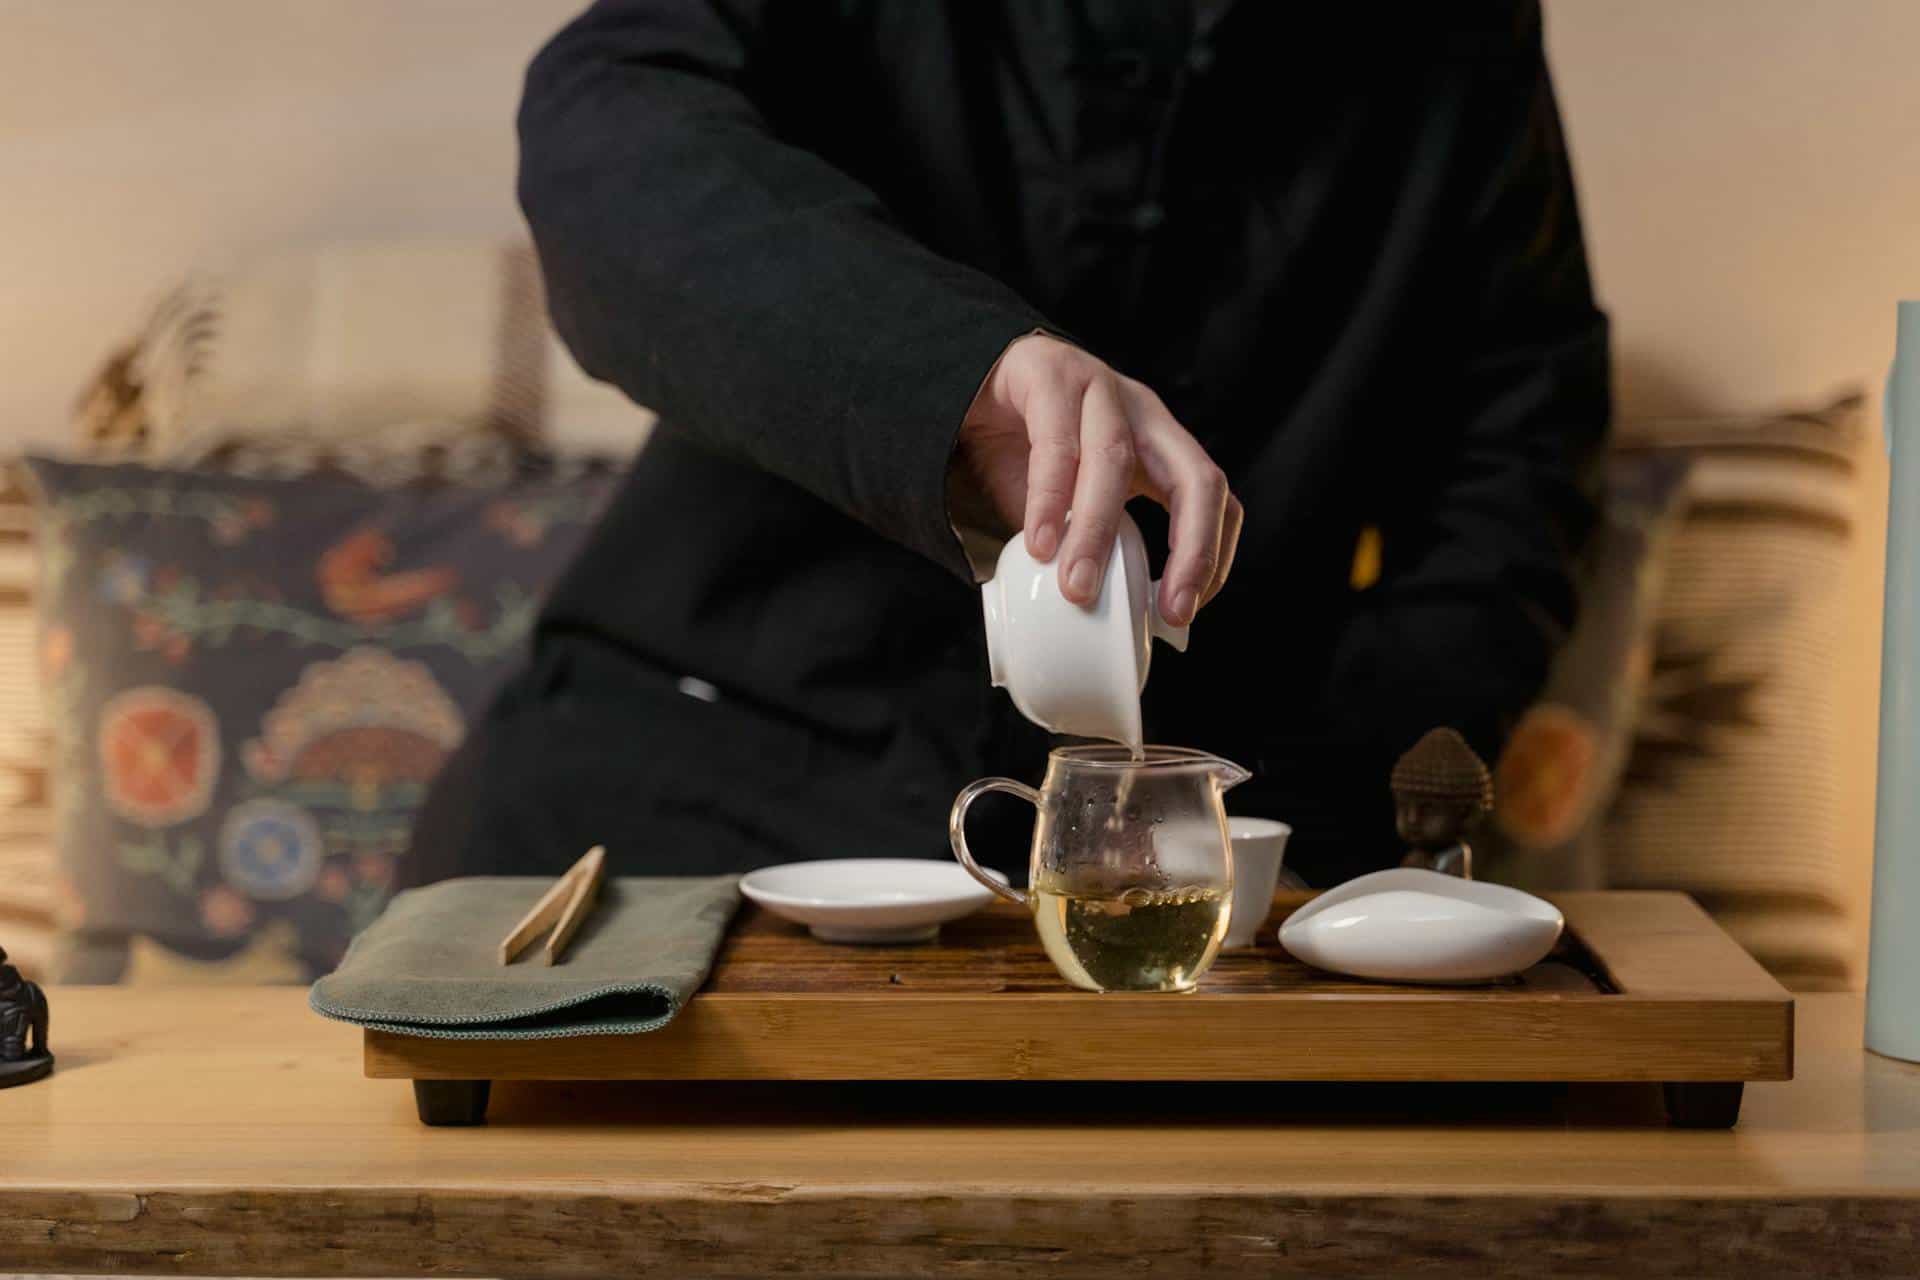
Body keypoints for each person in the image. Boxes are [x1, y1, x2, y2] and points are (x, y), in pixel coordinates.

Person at [403, 0, 1609, 893]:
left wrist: (1338, 806)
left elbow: (1519, 439)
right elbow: (606, 132)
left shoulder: (1459, 35)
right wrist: (958, 372)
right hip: (677, 785)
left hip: (1192, 853)